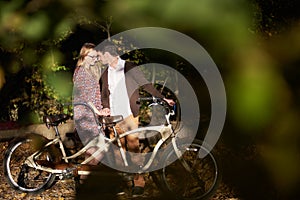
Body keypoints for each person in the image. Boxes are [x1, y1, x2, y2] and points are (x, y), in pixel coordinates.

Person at [99, 44, 175, 196]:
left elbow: (145, 84)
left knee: (134, 148)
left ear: (109, 55)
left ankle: (138, 182)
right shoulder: (105, 72)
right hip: (112, 117)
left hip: (129, 114)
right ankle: (121, 183)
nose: (100, 58)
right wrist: (105, 109)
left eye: (101, 55)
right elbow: (105, 94)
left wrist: (162, 98)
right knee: (117, 152)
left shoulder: (128, 66)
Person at [73, 43, 110, 168]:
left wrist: (100, 110)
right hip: (85, 115)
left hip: (91, 114)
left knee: (92, 151)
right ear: (83, 55)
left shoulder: (91, 71)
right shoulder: (82, 72)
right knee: (100, 148)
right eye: (91, 56)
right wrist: (97, 111)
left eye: (95, 56)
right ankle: (84, 179)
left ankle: (84, 180)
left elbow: (94, 95)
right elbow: (85, 96)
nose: (94, 59)